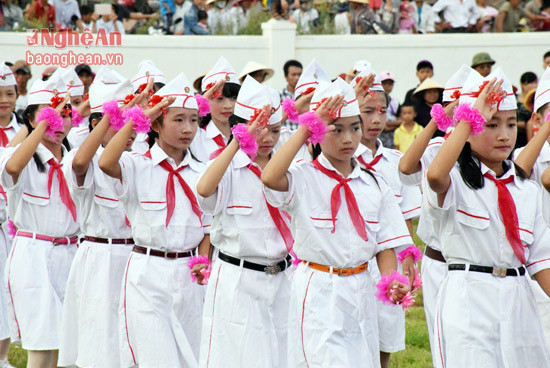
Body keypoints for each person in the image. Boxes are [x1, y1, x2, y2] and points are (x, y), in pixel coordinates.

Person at [261, 77, 414, 367]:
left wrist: (390, 280)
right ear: (318, 133)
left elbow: (385, 244)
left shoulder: (374, 184)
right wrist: (307, 127)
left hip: (361, 287)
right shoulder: (304, 176)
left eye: (354, 128)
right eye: (336, 130)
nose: (348, 139)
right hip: (320, 288)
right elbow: (269, 177)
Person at [427, 69, 550, 368]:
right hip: (470, 297)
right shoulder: (454, 182)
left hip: (518, 298)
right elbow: (434, 175)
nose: (505, 135)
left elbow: (540, 260)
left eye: (510, 124)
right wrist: (470, 118)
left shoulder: (526, 189)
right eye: (491, 125)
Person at [98, 72, 211, 368]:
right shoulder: (137, 165)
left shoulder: (202, 173)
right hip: (148, 271)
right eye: (178, 120)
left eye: (194, 120)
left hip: (188, 273)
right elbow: (106, 162)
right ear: (157, 124)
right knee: (154, 354)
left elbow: (208, 227)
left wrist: (203, 260)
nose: (188, 128)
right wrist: (139, 117)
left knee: (191, 354)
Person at [196, 76, 292, 368]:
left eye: (274, 131)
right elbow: (204, 189)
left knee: (282, 355)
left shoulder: (289, 168)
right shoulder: (225, 167)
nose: (266, 138)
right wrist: (239, 143)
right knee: (237, 358)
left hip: (282, 276)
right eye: (259, 130)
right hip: (237, 279)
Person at [57, 72, 138, 368]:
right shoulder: (82, 159)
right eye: (120, 123)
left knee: (132, 340)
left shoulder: (138, 162)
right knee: (99, 339)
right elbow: (79, 164)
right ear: (97, 125)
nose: (130, 131)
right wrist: (107, 116)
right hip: (101, 256)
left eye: (133, 123)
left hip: (135, 257)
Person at [398, 64, 472, 367]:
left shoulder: (488, 155)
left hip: (475, 263)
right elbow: (406, 166)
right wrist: (437, 121)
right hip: (440, 261)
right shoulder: (435, 148)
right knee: (443, 343)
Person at [1, 76, 78, 368]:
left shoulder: (75, 161)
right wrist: (43, 125)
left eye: (65, 113)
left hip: (71, 252)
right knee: (42, 340)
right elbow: (12, 168)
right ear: (31, 120)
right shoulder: (16, 156)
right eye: (48, 113)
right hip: (34, 253)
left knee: (69, 341)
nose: (59, 120)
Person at [350, 69, 421, 368]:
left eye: (381, 111)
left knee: (384, 338)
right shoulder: (339, 159)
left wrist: (408, 258)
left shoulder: (395, 162)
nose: (376, 120)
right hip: (351, 263)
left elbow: (404, 218)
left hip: (386, 265)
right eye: (367, 112)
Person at [0, 62, 22, 368]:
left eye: (9, 93)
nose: (4, 100)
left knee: (8, 292)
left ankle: (3, 356)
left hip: (16, 223)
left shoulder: (25, 130)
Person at [191, 56, 241, 162]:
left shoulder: (247, 136)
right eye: (220, 99)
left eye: (234, 98)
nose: (228, 105)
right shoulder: (195, 137)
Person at [280, 59, 303, 130]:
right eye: (293, 74)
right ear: (286, 77)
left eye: (299, 74)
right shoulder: (278, 96)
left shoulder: (306, 96)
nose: (297, 78)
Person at [380, 71, 400, 148]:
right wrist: (397, 124)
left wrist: (387, 125)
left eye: (390, 84)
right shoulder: (373, 101)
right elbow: (383, 126)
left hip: (392, 141)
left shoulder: (396, 102)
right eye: (384, 83)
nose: (387, 86)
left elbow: (402, 121)